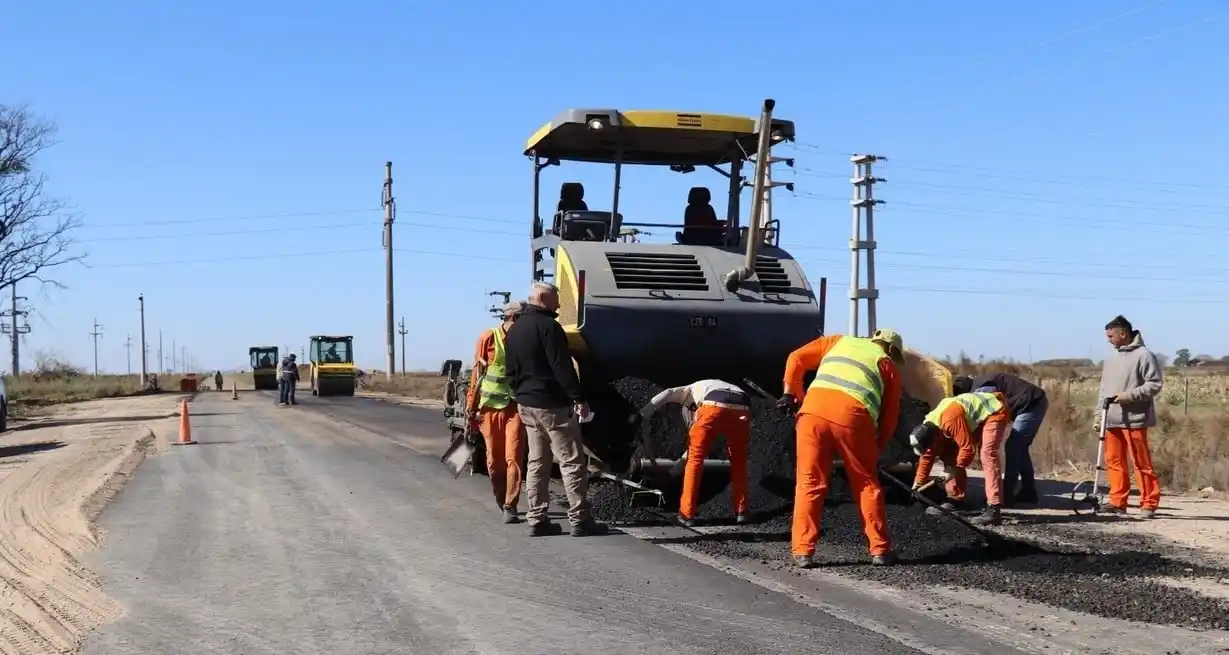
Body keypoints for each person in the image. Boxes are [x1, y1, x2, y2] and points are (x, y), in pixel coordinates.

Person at [779, 328, 905, 569]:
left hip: (812, 414)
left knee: (809, 482)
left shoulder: (837, 341)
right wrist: (874, 450)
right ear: (891, 349)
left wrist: (792, 393)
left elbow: (796, 358)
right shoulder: (886, 363)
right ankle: (880, 550)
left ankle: (803, 551)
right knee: (866, 483)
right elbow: (889, 419)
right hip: (854, 417)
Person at [503, 282, 608, 538]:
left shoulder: (515, 330)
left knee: (537, 461)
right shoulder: (549, 328)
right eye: (556, 299)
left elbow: (510, 370)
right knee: (572, 460)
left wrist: (522, 393)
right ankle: (580, 519)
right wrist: (578, 398)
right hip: (552, 405)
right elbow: (562, 367)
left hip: (526, 405)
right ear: (542, 298)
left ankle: (537, 519)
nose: (559, 305)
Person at [632, 379, 751, 527]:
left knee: (695, 460)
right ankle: (742, 512)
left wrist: (642, 413)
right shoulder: (712, 386)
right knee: (739, 463)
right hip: (743, 408)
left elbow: (667, 392)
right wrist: (672, 473)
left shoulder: (687, 390)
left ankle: (686, 514)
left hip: (713, 407)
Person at [465, 300, 530, 524]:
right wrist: (471, 407)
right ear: (513, 318)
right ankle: (501, 498)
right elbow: (477, 373)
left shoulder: (524, 341)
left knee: (514, 458)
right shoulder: (488, 338)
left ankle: (510, 506)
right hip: (490, 408)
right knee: (494, 462)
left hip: (515, 407)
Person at [909, 390, 1012, 526]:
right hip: (969, 419)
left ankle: (993, 509)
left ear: (932, 439)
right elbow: (927, 456)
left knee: (987, 454)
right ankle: (956, 500)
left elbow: (968, 448)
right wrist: (918, 484)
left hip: (994, 410)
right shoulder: (928, 428)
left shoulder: (949, 420)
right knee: (950, 453)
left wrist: (954, 469)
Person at [1097, 315, 1163, 518]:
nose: (1108, 340)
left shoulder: (1144, 355)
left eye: (1111, 336)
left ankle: (1149, 503)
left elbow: (1155, 384)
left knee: (1141, 462)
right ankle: (1117, 501)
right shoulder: (1110, 358)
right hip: (1111, 419)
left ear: (1123, 333)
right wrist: (1098, 415)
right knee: (1114, 461)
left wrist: (1128, 396)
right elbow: (1103, 389)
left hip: (1135, 418)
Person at [953, 373, 1049, 506]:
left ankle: (1006, 493)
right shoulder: (983, 380)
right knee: (1020, 447)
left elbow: (991, 409)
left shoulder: (982, 389)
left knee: (1013, 447)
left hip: (1031, 404)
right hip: (1033, 401)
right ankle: (1028, 491)